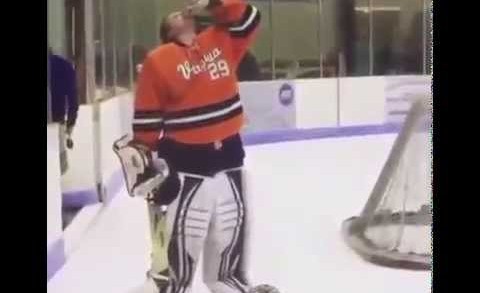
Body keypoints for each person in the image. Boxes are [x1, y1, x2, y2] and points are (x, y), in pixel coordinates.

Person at [126, 1, 277, 292]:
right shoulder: (159, 60)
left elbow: (250, 16)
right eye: (173, 16)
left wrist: (214, 4)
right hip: (187, 172)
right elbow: (146, 121)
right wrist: (147, 160)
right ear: (167, 32)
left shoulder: (220, 39)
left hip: (231, 165)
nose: (180, 13)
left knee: (226, 273)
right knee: (173, 276)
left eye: (183, 11)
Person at [48, 50, 78, 174]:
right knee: (56, 168)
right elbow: (73, 98)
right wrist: (71, 122)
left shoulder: (64, 65)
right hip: (57, 122)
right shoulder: (64, 65)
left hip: (56, 121)